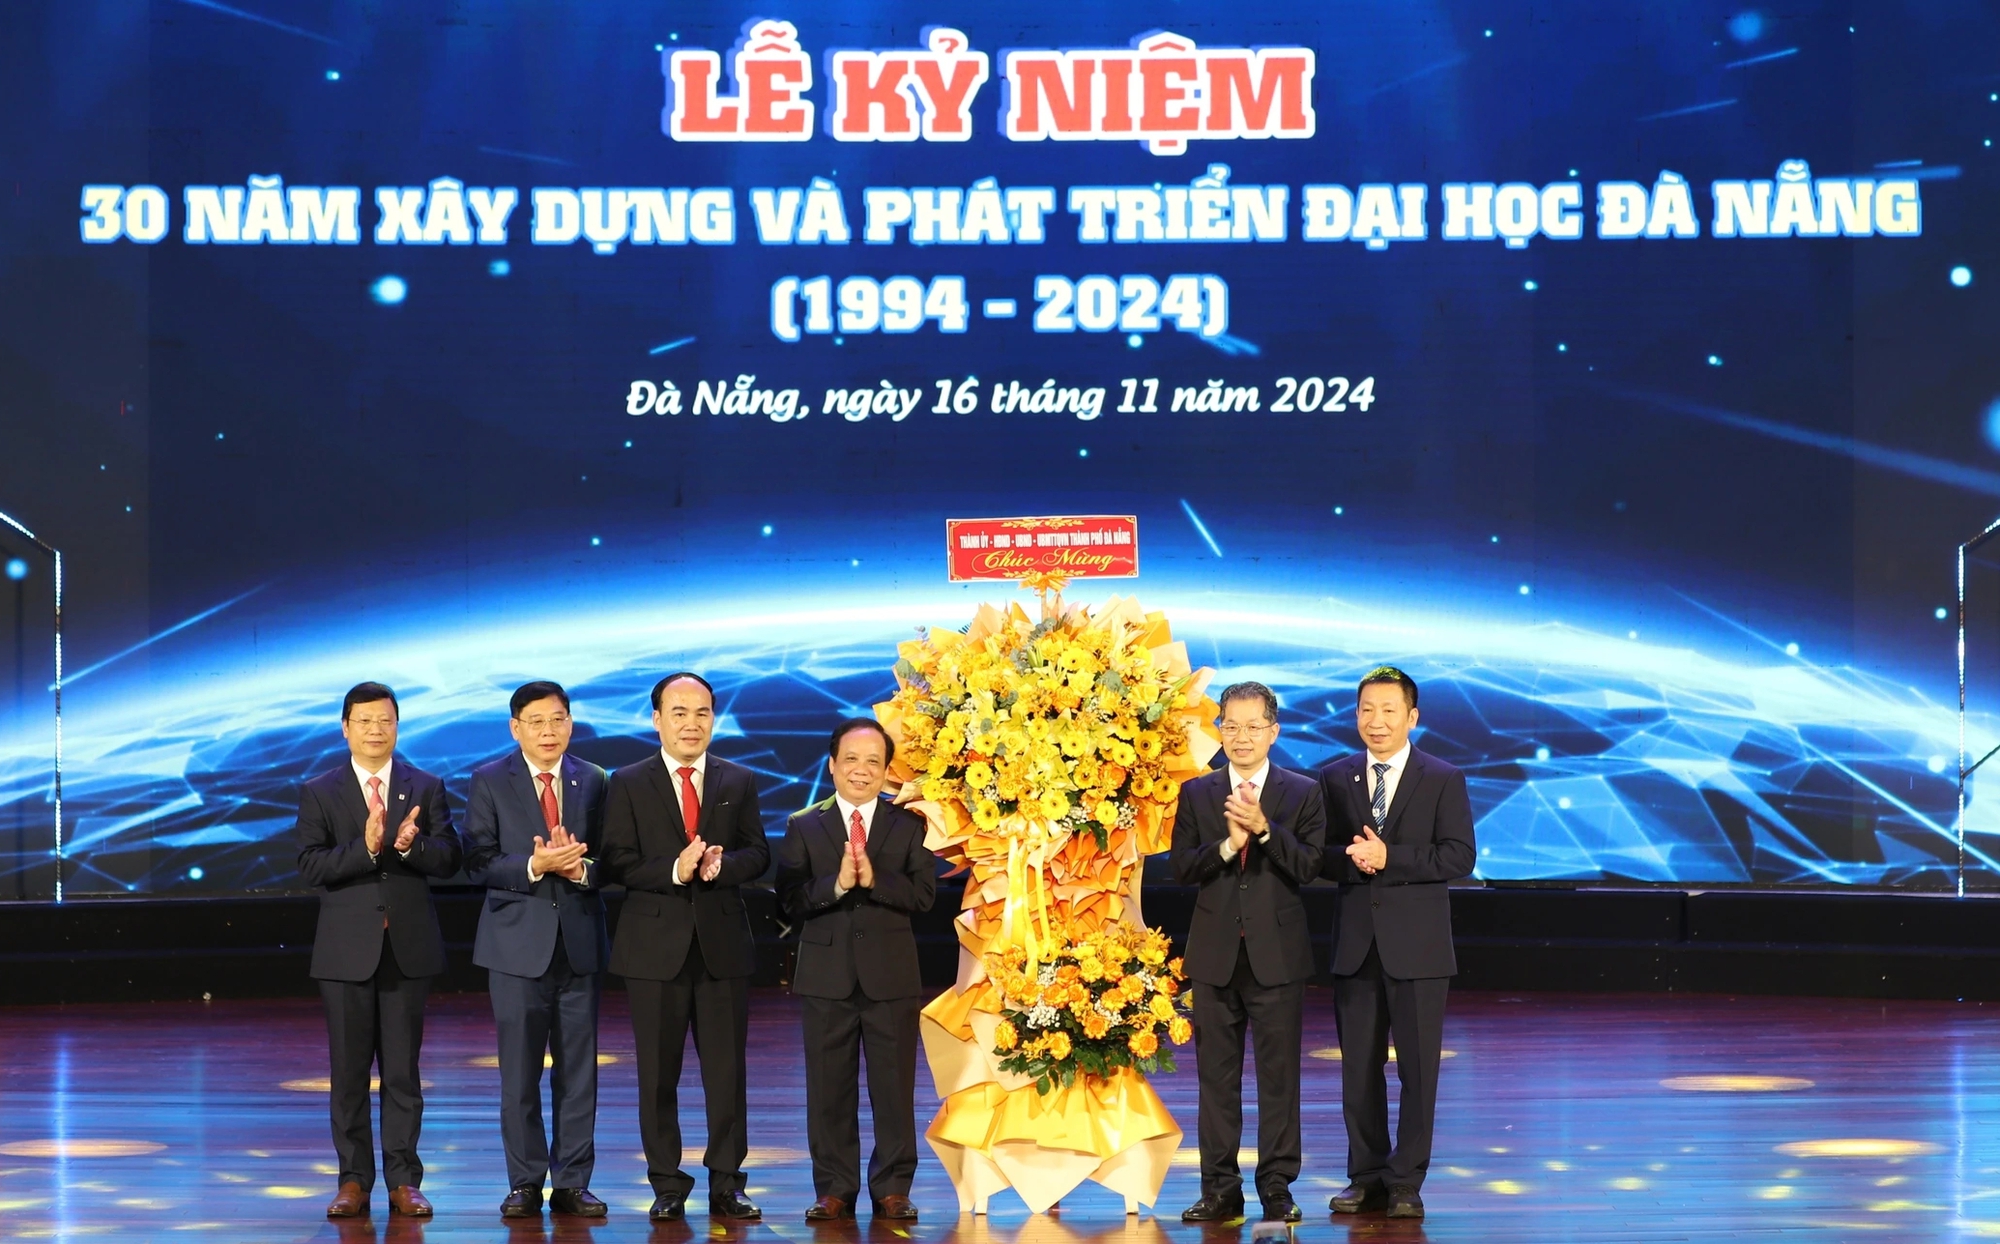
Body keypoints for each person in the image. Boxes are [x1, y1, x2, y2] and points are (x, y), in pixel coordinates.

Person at [602, 671, 770, 1222]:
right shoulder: (628, 781)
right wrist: (674, 870)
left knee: (727, 1075)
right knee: (657, 1076)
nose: (691, 723)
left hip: (722, 946)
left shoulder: (738, 779)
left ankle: (728, 1183)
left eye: (701, 712)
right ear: (657, 720)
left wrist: (724, 866)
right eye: (679, 713)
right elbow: (617, 861)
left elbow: (758, 853)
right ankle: (667, 1184)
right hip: (653, 949)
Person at [295, 682, 462, 1220]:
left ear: (397, 726)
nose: (375, 730)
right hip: (346, 952)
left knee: (402, 1074)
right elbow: (310, 866)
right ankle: (352, 1179)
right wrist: (366, 848)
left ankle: (404, 1180)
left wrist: (412, 846)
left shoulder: (426, 785)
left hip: (407, 949)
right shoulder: (320, 790)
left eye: (385, 720)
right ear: (345, 728)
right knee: (348, 1074)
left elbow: (450, 858)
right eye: (364, 721)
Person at [1319, 666, 1477, 1220]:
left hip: (1420, 949)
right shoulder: (1334, 777)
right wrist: (1349, 858)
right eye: (1367, 709)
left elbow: (1459, 855)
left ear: (1412, 717)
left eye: (1388, 710)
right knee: (1358, 1071)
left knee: (1417, 1070)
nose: (1376, 721)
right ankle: (1365, 1177)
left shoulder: (1443, 777)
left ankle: (1406, 1180)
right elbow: (1319, 854)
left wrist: (1392, 858)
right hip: (1356, 947)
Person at [1169, 681, 1327, 1225]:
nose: (1241, 737)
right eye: (1231, 726)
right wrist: (1226, 846)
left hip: (1277, 956)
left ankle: (1277, 1188)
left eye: (1253, 726)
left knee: (1279, 1080)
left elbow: (1309, 865)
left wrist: (1263, 830)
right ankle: (1219, 1189)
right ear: (1219, 730)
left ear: (1273, 731)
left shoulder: (1302, 792)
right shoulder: (1197, 793)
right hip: (1214, 955)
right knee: (1216, 1080)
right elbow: (1181, 868)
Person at [774, 718, 936, 1223]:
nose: (861, 770)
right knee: (829, 1089)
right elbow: (789, 900)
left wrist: (874, 879)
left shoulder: (909, 824)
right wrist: (838, 885)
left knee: (894, 1089)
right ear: (832, 765)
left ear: (886, 771)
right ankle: (834, 1190)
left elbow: (924, 896)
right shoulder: (804, 824)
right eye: (851, 759)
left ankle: (893, 1188)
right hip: (826, 976)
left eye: (873, 762)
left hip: (891, 975)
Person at [463, 680, 610, 1219]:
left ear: (570, 723)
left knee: (579, 1073)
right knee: (520, 1074)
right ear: (515, 728)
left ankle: (573, 1182)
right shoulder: (489, 779)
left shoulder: (594, 779)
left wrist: (580, 870)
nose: (549, 731)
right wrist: (534, 866)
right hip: (514, 948)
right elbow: (476, 860)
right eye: (537, 722)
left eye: (558, 720)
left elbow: (614, 858)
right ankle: (524, 1182)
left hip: (579, 945)